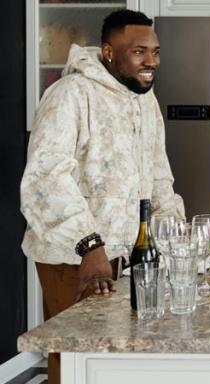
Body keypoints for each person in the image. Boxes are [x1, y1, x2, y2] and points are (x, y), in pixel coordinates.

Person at [20, 10, 184, 384]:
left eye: (156, 52)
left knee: (119, 360)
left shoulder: (144, 99)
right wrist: (90, 246)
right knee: (76, 356)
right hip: (75, 258)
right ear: (109, 52)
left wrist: (174, 233)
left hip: (130, 254)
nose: (152, 62)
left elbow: (157, 171)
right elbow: (45, 179)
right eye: (140, 52)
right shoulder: (69, 95)